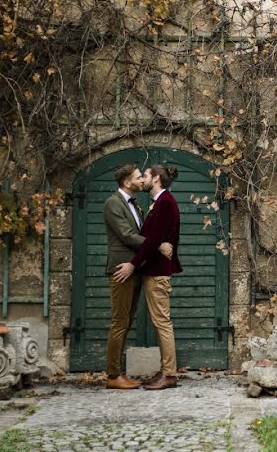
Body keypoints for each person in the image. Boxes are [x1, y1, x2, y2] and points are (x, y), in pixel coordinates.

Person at [102, 163, 173, 390]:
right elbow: (127, 234)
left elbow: (140, 232)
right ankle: (113, 375)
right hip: (122, 269)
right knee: (120, 321)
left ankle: (118, 373)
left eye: (144, 176)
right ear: (126, 182)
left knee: (127, 320)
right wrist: (157, 245)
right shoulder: (113, 203)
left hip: (134, 268)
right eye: (138, 177)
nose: (142, 179)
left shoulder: (136, 205)